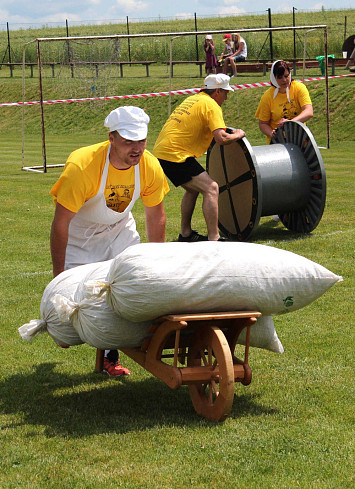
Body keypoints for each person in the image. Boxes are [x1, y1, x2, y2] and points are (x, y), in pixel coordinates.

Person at [50, 106, 169, 376]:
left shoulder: (149, 165)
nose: (136, 148)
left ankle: (110, 358)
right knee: (66, 325)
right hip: (80, 237)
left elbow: (155, 216)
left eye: (141, 140)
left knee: (129, 288)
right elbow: (60, 224)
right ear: (111, 137)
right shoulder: (82, 166)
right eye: (128, 141)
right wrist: (58, 279)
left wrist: (158, 264)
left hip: (119, 232)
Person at [153, 74, 245, 242]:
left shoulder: (194, 99)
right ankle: (214, 238)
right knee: (212, 188)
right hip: (175, 154)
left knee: (193, 189)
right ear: (217, 91)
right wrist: (239, 135)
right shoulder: (211, 105)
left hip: (163, 152)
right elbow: (222, 138)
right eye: (225, 93)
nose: (226, 97)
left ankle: (185, 234)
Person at [255, 59, 313, 143]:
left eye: (286, 76)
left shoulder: (299, 88)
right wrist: (272, 133)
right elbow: (263, 124)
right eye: (280, 77)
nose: (284, 80)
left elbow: (309, 112)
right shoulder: (267, 96)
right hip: (278, 143)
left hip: (299, 139)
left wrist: (290, 123)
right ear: (273, 78)